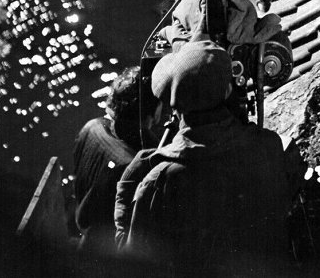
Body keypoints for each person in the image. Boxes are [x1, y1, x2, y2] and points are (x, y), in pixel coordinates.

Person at [123, 40, 301, 277]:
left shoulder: (160, 181)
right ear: (227, 90)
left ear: (174, 107)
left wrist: (126, 191)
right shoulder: (269, 145)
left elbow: (133, 266)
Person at [73, 66, 161, 254]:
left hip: (86, 230)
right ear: (154, 111)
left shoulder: (91, 127)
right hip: (107, 252)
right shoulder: (136, 165)